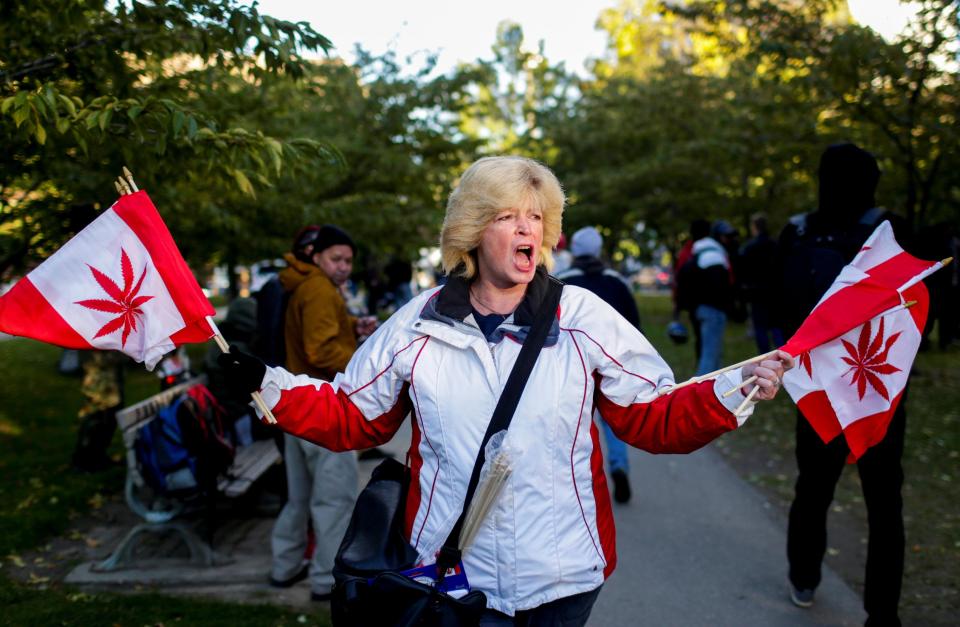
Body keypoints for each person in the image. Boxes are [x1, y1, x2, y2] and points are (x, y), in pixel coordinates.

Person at [219, 156, 792, 624]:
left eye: (536, 217)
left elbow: (653, 415)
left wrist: (730, 389)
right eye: (507, 216)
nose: (527, 229)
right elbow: (352, 415)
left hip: (564, 574)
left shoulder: (583, 317)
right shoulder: (416, 325)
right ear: (472, 231)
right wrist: (266, 383)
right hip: (452, 574)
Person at [779, 143, 908, 626]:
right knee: (884, 500)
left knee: (813, 485)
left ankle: (804, 575)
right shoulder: (891, 231)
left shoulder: (797, 231)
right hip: (879, 382)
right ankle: (883, 613)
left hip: (820, 381)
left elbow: (779, 297)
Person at [268, 224, 378, 602]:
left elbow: (316, 332)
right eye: (336, 258)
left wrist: (351, 325)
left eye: (349, 260)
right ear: (316, 256)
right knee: (334, 499)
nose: (344, 266)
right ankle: (324, 582)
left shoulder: (307, 284)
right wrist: (369, 367)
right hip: (323, 410)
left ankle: (284, 567)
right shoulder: (318, 288)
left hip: (294, 406)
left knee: (299, 497)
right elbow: (319, 351)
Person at [556, 225, 641, 504]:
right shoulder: (617, 282)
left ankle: (576, 483)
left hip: (569, 367)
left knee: (573, 425)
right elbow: (634, 326)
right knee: (613, 420)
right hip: (611, 365)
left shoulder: (560, 282)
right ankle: (618, 466)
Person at [675, 218, 734, 376]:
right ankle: (699, 390)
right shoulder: (714, 256)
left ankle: (714, 390)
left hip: (700, 309)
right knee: (710, 355)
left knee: (710, 353)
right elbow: (721, 286)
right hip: (713, 309)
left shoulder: (695, 254)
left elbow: (681, 280)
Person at [739, 213, 784, 353]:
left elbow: (743, 270)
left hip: (756, 293)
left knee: (761, 327)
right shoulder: (775, 245)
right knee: (776, 326)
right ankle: (783, 353)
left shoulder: (750, 248)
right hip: (774, 291)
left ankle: (764, 356)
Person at [72, 351, 125, 472]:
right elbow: (100, 359)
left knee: (107, 419)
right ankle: (85, 461)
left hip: (108, 379)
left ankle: (97, 456)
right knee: (96, 418)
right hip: (99, 381)